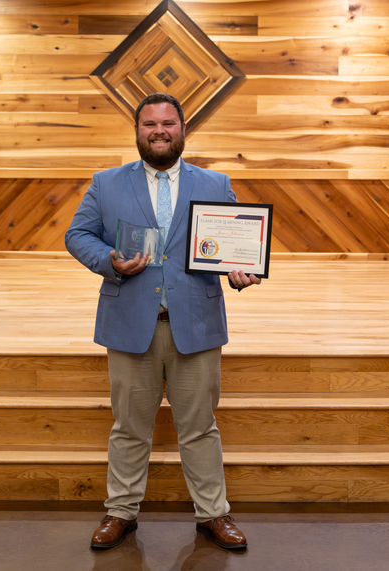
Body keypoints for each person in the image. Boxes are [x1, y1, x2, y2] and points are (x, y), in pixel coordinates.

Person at [65, 92, 261, 551]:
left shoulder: (215, 183)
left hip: (195, 322)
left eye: (168, 123)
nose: (159, 131)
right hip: (132, 323)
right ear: (136, 131)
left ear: (183, 129)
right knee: (129, 426)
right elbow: (77, 235)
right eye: (149, 123)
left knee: (200, 426)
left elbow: (231, 245)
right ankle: (120, 512)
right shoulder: (106, 183)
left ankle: (213, 514)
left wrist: (239, 272)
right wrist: (109, 260)